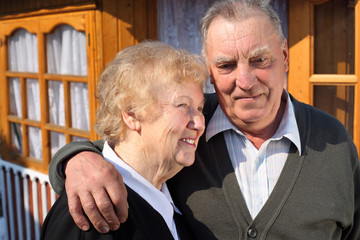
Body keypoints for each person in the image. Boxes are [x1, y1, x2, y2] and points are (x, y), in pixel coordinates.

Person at [48, 0, 360, 239]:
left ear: (285, 56)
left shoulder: (333, 140)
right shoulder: (187, 132)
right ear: (210, 71)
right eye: (226, 65)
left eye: (260, 60)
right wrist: (76, 159)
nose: (246, 80)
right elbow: (123, 147)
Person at [41, 41, 208, 239]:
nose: (199, 123)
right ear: (132, 115)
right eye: (182, 105)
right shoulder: (92, 214)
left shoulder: (170, 195)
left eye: (199, 108)